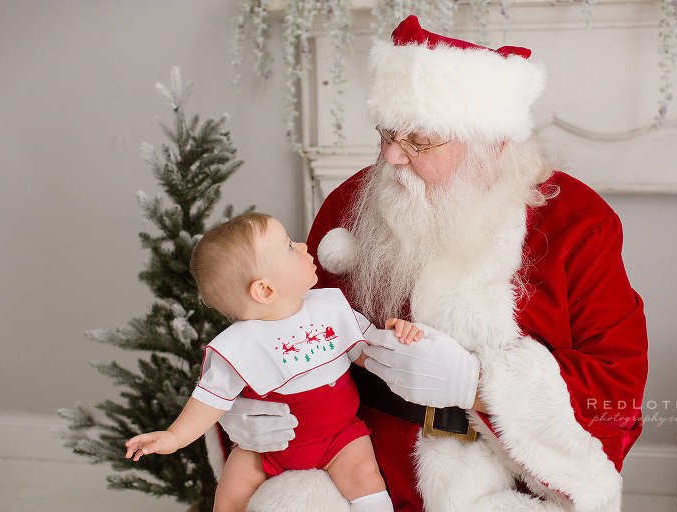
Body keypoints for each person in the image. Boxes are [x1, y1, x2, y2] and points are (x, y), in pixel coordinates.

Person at [211, 15, 648, 512]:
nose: (393, 157)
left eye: (420, 141)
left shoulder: (579, 224)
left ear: (492, 144)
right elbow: (280, 327)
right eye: (387, 134)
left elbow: (617, 387)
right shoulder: (351, 204)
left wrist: (477, 387)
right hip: (360, 464)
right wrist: (244, 404)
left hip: (506, 478)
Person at [125, 212, 423, 512]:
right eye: (290, 247)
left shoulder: (331, 307)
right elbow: (208, 400)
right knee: (229, 496)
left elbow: (368, 354)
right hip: (264, 449)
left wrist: (396, 337)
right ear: (265, 290)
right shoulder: (239, 346)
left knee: (366, 477)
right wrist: (174, 437)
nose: (305, 246)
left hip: (339, 437)